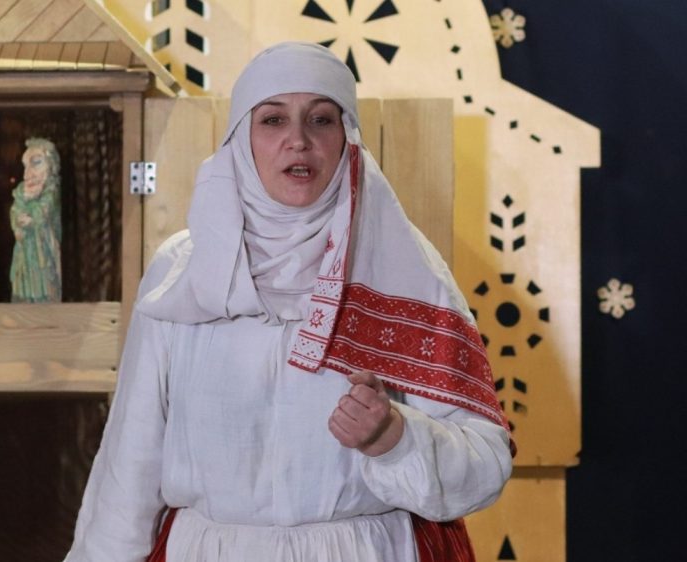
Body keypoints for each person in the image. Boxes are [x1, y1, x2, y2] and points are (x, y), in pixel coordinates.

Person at [64, 42, 513, 562]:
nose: (298, 140)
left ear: (347, 140)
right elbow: (130, 463)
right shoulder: (183, 271)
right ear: (241, 139)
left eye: (321, 120)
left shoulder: (404, 269)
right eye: (273, 120)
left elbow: (484, 462)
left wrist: (395, 439)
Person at [10, 137, 62, 303]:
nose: (28, 173)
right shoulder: (21, 191)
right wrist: (18, 220)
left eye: (36, 163)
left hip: (42, 251)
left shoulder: (51, 190)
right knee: (22, 288)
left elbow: (44, 211)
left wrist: (31, 218)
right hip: (24, 252)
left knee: (44, 286)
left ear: (50, 166)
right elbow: (15, 211)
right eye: (26, 166)